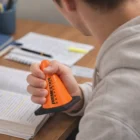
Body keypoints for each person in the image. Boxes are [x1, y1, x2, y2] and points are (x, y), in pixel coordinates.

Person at [26, 0, 140, 139]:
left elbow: (119, 107)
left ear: (68, 3)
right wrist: (79, 96)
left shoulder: (109, 122)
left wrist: (104, 108)